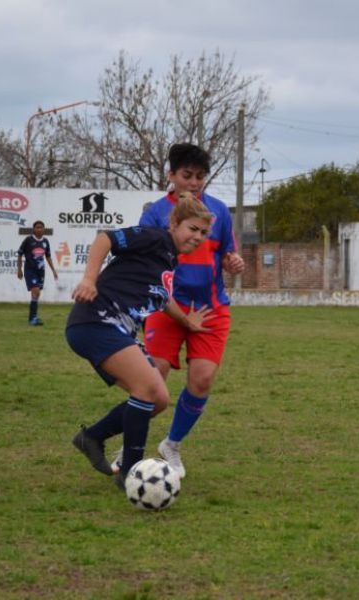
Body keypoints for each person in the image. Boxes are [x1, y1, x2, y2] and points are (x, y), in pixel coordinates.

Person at [66, 193, 213, 488]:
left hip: (114, 329)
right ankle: (132, 473)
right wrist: (88, 280)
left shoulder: (169, 258)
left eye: (203, 233)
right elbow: (105, 238)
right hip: (95, 320)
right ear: (175, 223)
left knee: (158, 399)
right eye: (192, 229)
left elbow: (160, 298)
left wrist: (187, 322)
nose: (197, 237)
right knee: (146, 388)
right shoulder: (155, 238)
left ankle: (92, 437)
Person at [137, 143, 245, 479]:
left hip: (210, 308)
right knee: (152, 385)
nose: (194, 183)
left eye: (200, 177)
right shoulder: (155, 213)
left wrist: (234, 261)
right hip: (165, 308)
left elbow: (227, 254)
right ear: (171, 176)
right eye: (187, 176)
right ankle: (126, 450)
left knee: (202, 379)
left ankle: (172, 445)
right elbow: (144, 263)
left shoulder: (219, 212)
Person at [17, 220, 58, 326]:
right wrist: (19, 269)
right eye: (37, 227)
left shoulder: (45, 241)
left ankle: (33, 317)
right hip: (30, 270)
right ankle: (33, 318)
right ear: (33, 229)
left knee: (36, 294)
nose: (39, 229)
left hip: (41, 271)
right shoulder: (28, 240)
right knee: (36, 292)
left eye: (41, 227)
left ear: (44, 229)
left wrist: (53, 270)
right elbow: (20, 254)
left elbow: (48, 256)